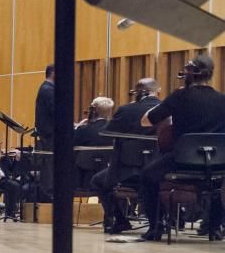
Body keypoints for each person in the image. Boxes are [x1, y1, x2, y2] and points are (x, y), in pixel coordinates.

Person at [139, 55, 225, 241]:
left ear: (188, 74)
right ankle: (215, 227)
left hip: (182, 160)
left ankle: (156, 227)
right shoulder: (222, 99)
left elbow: (147, 121)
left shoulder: (179, 96)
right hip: (218, 162)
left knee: (147, 176)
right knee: (218, 182)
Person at [90, 79, 158, 233]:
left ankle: (121, 220)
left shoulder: (126, 110)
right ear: (157, 91)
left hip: (128, 171)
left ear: (137, 93)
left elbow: (106, 132)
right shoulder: (166, 110)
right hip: (157, 169)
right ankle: (162, 221)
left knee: (98, 182)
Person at [34, 63, 56, 151]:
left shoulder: (45, 87)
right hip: (50, 133)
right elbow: (55, 111)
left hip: (46, 132)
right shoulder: (49, 89)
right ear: (53, 73)